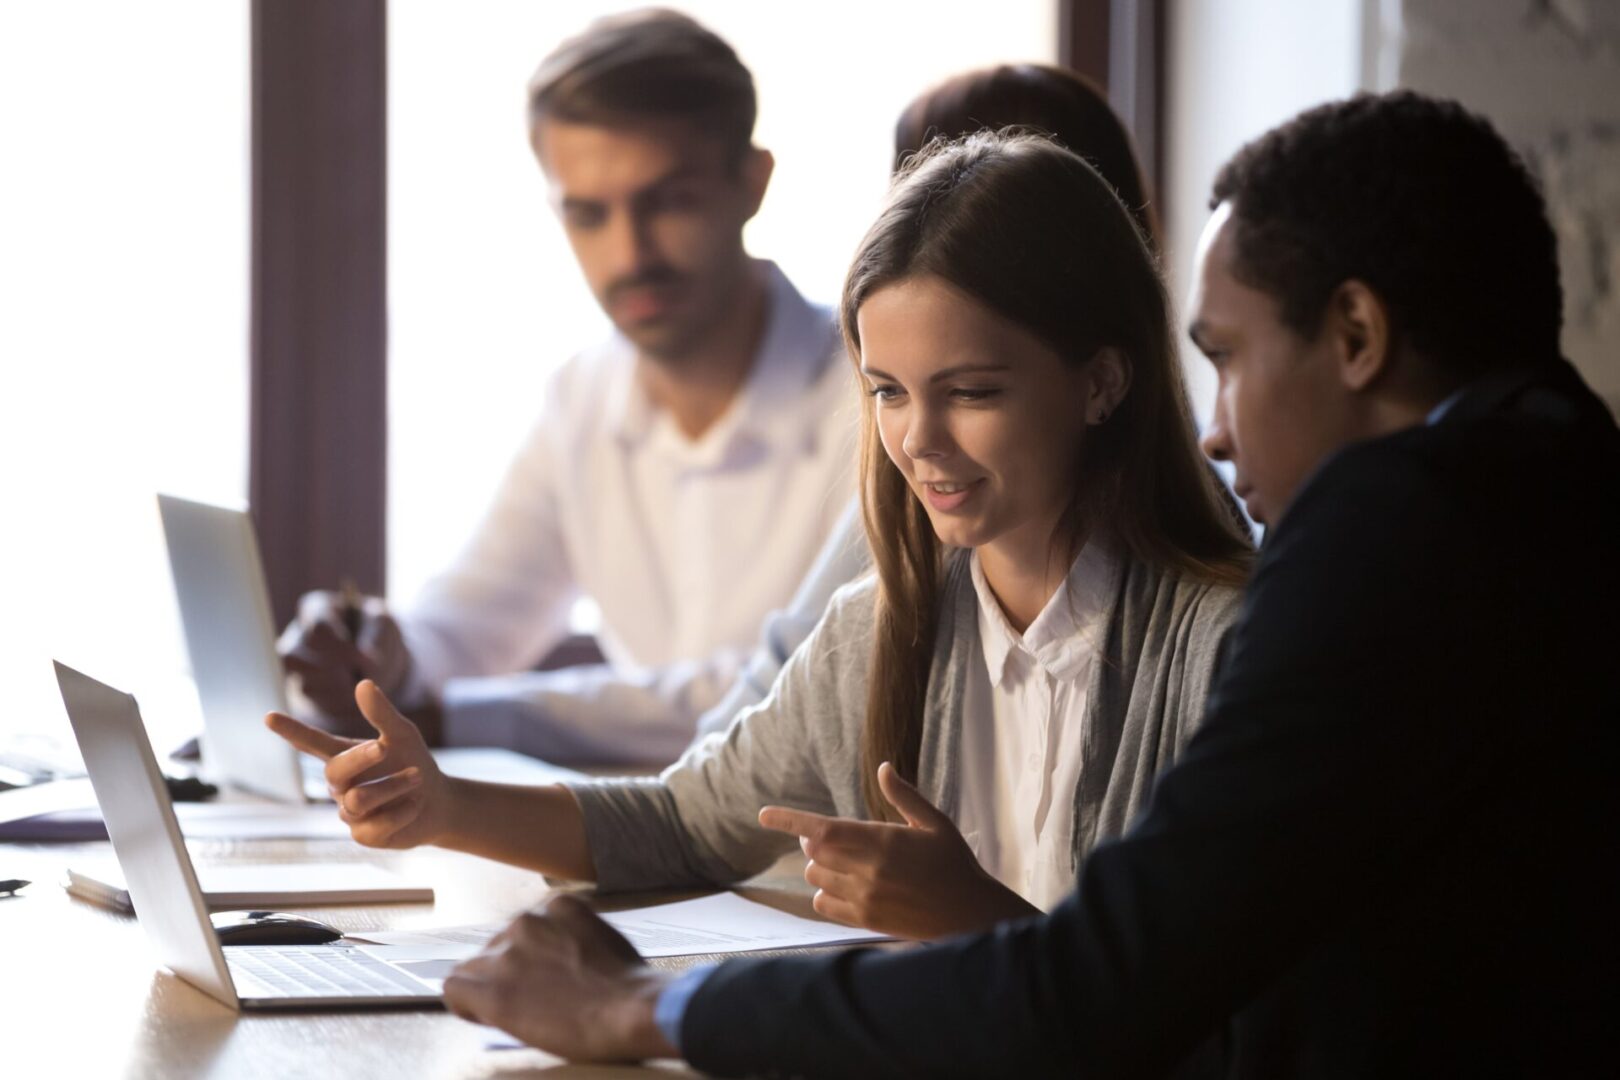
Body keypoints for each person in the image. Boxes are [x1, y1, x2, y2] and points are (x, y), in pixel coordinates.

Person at [429, 92, 1620, 1076]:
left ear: (1355, 335)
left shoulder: (1384, 538)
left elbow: (1117, 995)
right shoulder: (1555, 493)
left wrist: (649, 1011)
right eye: (887, 390)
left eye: (1228, 356)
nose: (1213, 430)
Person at [267, 132, 1251, 942]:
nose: (919, 442)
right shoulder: (884, 625)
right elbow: (686, 821)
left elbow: (1209, 998)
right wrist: (441, 806)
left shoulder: (1231, 645)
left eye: (973, 392)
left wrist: (975, 922)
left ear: (1102, 382)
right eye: (888, 393)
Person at [277, 9, 855, 764]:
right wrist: (375, 658)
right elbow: (467, 623)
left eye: (669, 201)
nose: (629, 254)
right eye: (588, 215)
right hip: (657, 855)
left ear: (753, 183)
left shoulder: (878, 401)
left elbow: (777, 692)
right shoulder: (583, 398)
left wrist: (444, 716)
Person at [693, 62, 1224, 742]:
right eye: (888, 390)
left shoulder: (1201, 624)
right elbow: (745, 742)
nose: (918, 438)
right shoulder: (925, 511)